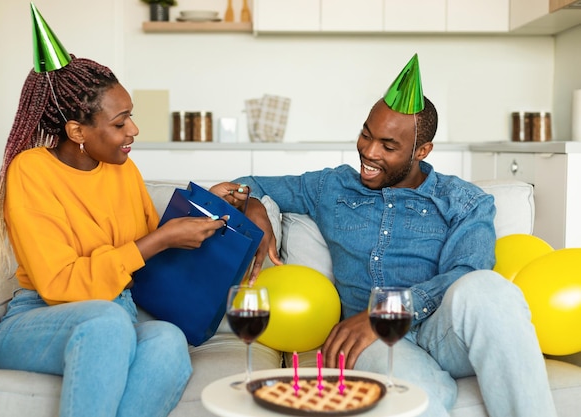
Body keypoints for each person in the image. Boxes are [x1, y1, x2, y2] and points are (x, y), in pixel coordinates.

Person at [217, 54, 557, 416]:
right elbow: (246, 184)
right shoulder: (330, 186)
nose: (368, 151)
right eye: (366, 134)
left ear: (422, 151)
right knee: (419, 395)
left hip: (442, 332)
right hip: (371, 342)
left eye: (388, 146)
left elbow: (466, 273)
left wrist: (389, 312)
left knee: (488, 286)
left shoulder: (464, 201)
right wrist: (254, 208)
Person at [0, 5, 236, 417]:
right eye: (120, 123)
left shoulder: (123, 169)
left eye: (131, 117)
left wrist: (207, 203)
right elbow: (59, 284)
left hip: (118, 314)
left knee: (168, 341)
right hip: (42, 319)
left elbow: (144, 255)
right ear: (77, 131)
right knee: (107, 321)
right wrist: (158, 239)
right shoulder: (31, 171)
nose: (134, 130)